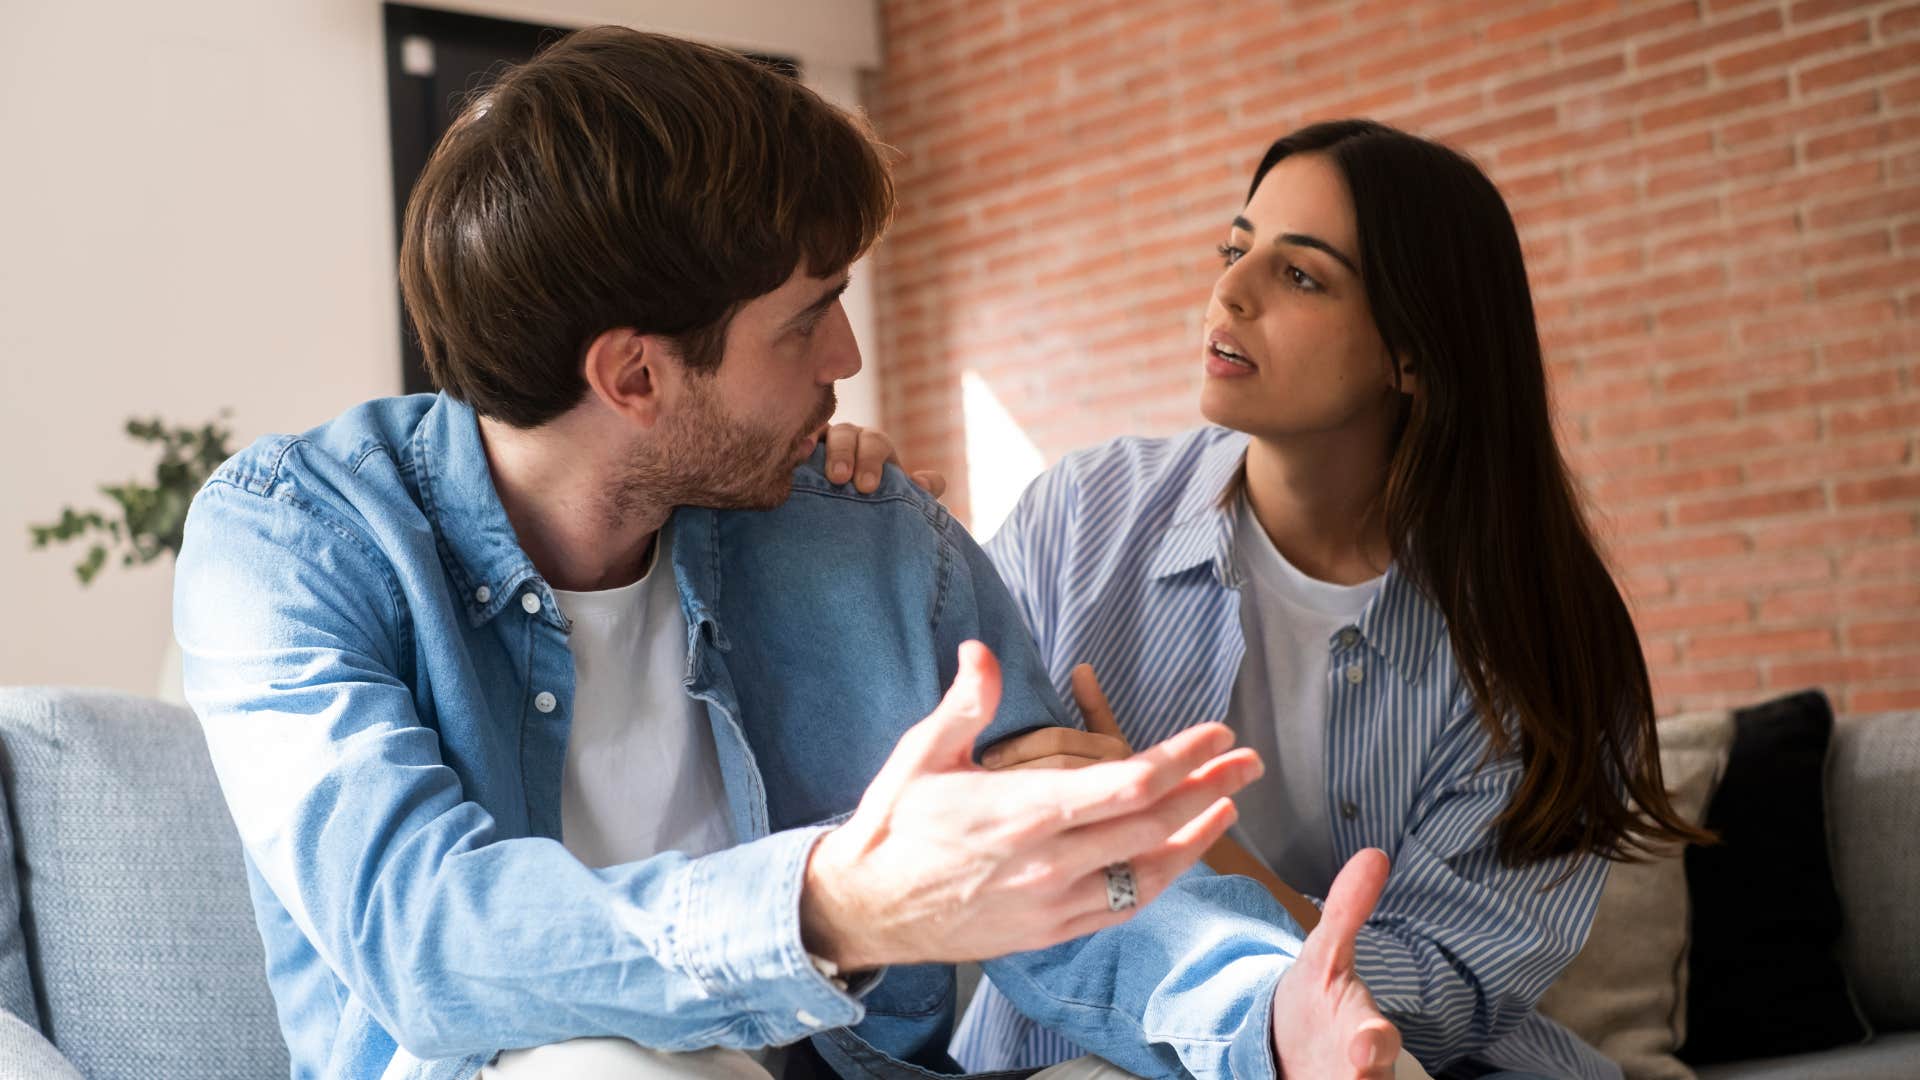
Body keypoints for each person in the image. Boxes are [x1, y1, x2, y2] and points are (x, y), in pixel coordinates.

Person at [172, 30, 1406, 1080]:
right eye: (808, 317)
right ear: (636, 375)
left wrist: (1265, 1009)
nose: (849, 362)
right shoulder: (292, 540)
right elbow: (425, 938)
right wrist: (837, 903)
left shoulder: (863, 532)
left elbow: (1073, 878)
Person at [940, 120, 1714, 1080]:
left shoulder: (1540, 640)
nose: (1229, 291)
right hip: (1069, 1053)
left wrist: (1174, 842)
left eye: (1300, 276)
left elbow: (1434, 1002)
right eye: (1237, 249)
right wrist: (866, 514)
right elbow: (921, 797)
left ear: (1415, 354)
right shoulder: (1082, 516)